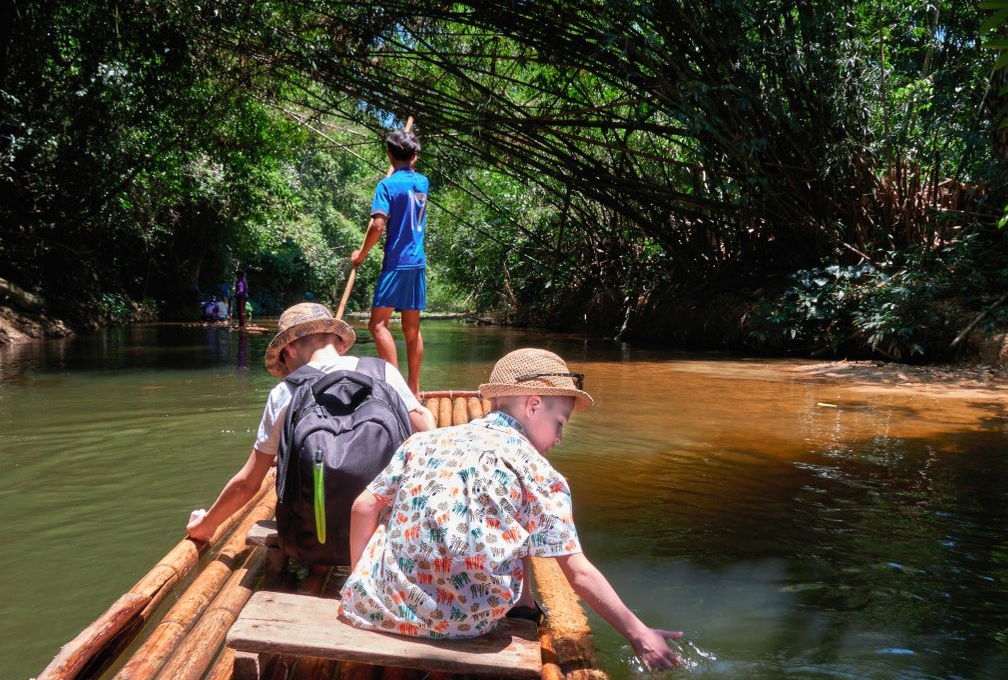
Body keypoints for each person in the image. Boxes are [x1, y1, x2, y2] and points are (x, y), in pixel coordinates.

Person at [340, 349, 683, 671]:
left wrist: (361, 580)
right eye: (560, 424)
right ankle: (524, 604)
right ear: (533, 405)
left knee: (393, 508)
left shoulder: (422, 442)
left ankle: (380, 584)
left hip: (373, 607)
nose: (560, 438)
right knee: (517, 522)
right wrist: (639, 633)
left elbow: (362, 507)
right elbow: (578, 572)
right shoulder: (540, 473)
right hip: (465, 624)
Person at [186, 302, 434, 544]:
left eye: (284, 360)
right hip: (388, 534)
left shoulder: (285, 392)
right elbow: (426, 433)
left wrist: (205, 525)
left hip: (310, 541)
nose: (287, 369)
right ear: (338, 344)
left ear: (290, 348)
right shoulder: (382, 371)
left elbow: (247, 484)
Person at [351, 129, 428, 394]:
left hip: (396, 262)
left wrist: (361, 254)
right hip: (417, 262)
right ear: (415, 157)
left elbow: (378, 226)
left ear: (389, 154)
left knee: (377, 324)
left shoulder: (386, 186)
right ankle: (414, 388)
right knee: (412, 328)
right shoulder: (423, 183)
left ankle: (397, 390)